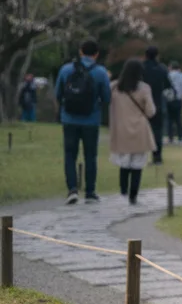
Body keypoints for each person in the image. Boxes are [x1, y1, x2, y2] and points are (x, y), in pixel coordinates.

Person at [55, 40, 112, 204]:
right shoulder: (101, 72)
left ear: (80, 52)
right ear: (96, 54)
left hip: (69, 119)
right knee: (90, 156)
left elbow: (58, 93)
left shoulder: (66, 69)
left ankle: (72, 189)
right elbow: (107, 97)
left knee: (70, 155)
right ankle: (90, 192)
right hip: (91, 120)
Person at [108, 59, 157, 205]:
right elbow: (151, 111)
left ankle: (123, 191)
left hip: (121, 130)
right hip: (139, 130)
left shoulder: (114, 87)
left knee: (124, 163)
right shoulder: (144, 88)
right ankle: (133, 196)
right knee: (137, 164)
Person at [141, 46, 170, 163]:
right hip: (158, 102)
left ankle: (140, 155)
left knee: (142, 129)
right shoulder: (162, 68)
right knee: (157, 131)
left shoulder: (141, 68)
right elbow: (168, 85)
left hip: (142, 103)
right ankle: (157, 156)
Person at [166, 62, 182, 144]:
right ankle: (180, 138)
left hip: (168, 99)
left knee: (169, 120)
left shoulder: (168, 75)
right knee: (178, 119)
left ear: (170, 67)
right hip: (178, 99)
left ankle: (170, 138)